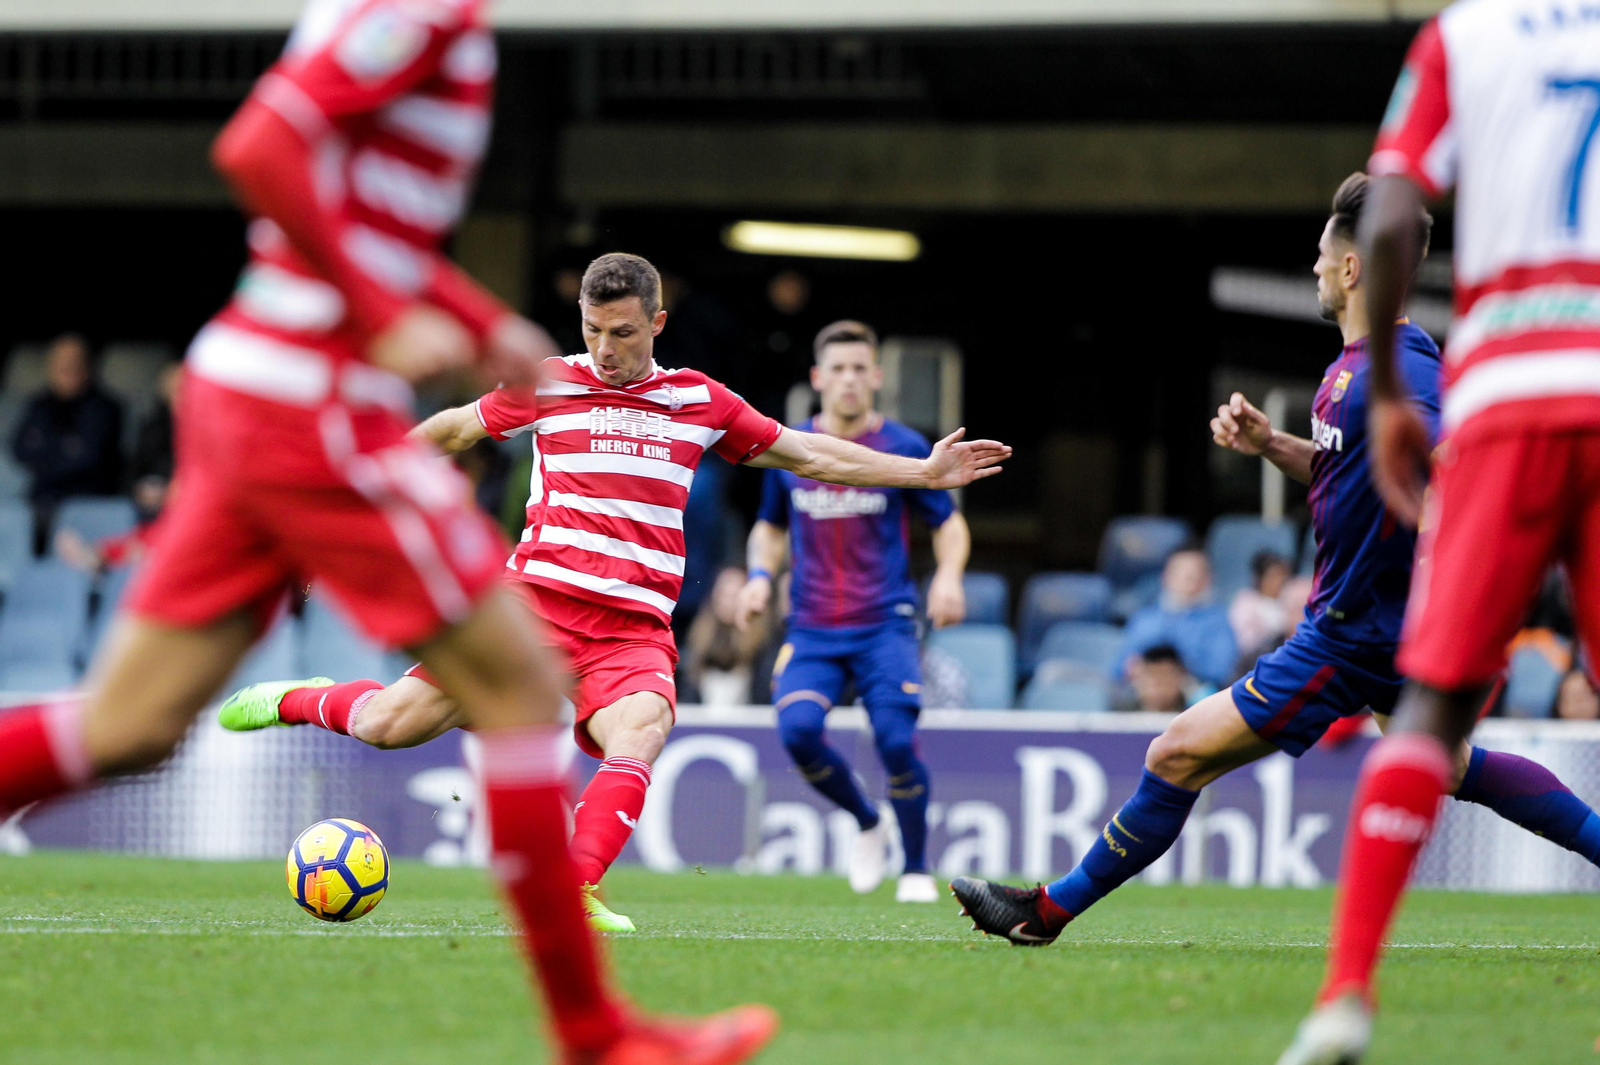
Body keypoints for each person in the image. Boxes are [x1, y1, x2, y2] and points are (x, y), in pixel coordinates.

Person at [0, 5, 783, 1063]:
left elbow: (352, 212)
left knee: (133, 723)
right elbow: (258, 148)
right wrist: (388, 305)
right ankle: (599, 1036)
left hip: (255, 384)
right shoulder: (418, 10)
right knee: (509, 685)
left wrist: (467, 319)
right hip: (307, 398)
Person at [217, 254, 1010, 931]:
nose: (604, 349)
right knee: (389, 725)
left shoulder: (702, 401)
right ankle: (304, 698)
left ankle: (574, 884)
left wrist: (922, 473)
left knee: (643, 727)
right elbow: (455, 429)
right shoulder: (549, 382)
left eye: (623, 333)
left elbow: (812, 456)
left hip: (631, 627)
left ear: (658, 324)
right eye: (593, 331)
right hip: (531, 607)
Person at [951, 173, 1600, 994]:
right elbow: (1357, 467)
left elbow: (1456, 470)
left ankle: (1044, 911)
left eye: (1323, 259)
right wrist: (1271, 444)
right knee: (1457, 764)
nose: (1316, 271)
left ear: (1355, 269)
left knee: (1176, 751)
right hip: (1386, 625)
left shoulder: (1399, 376)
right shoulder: (1372, 365)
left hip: (1352, 632)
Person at [1279, 9, 1600, 1058]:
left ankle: (1343, 995)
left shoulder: (1462, 40)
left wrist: (1380, 396)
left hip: (1511, 389)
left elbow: (1391, 208)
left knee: (1430, 711)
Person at [736, 320, 974, 904]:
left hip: (884, 623)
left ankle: (915, 868)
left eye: (858, 369)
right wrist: (761, 578)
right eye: (836, 369)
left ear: (876, 377)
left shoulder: (906, 448)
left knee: (894, 741)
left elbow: (949, 524)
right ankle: (868, 821)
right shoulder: (792, 448)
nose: (847, 380)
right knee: (797, 730)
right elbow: (768, 528)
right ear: (818, 379)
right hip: (813, 626)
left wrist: (947, 576)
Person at [12, 334, 125, 552]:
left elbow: (88, 458)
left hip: (88, 502)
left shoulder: (105, 408)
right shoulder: (38, 405)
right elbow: (19, 449)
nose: (68, 366)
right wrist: (64, 450)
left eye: (75, 359)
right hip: (40, 501)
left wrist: (44, 452)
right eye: (60, 360)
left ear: (88, 365)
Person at [1116, 548, 1237, 689]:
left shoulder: (1218, 620)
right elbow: (1117, 669)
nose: (1188, 577)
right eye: (1181, 571)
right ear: (1165, 576)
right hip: (1141, 697)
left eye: (1195, 572)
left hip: (1192, 698)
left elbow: (1221, 672)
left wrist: (1175, 671)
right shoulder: (1144, 618)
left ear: (1208, 578)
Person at [682, 567, 766, 707]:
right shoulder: (698, 639)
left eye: (734, 596)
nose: (727, 602)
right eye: (723, 595)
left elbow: (762, 695)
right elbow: (689, 692)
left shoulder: (761, 644)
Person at [1228, 549, 1291, 661]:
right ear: (1260, 578)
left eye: (1282, 575)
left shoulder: (1292, 600)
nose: (1280, 580)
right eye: (1273, 576)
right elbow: (1246, 644)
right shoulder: (1245, 602)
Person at [1127, 644, 1192, 713]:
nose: (1159, 684)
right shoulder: (1122, 711)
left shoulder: (1194, 710)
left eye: (1165, 675)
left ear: (1180, 676)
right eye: (1152, 675)